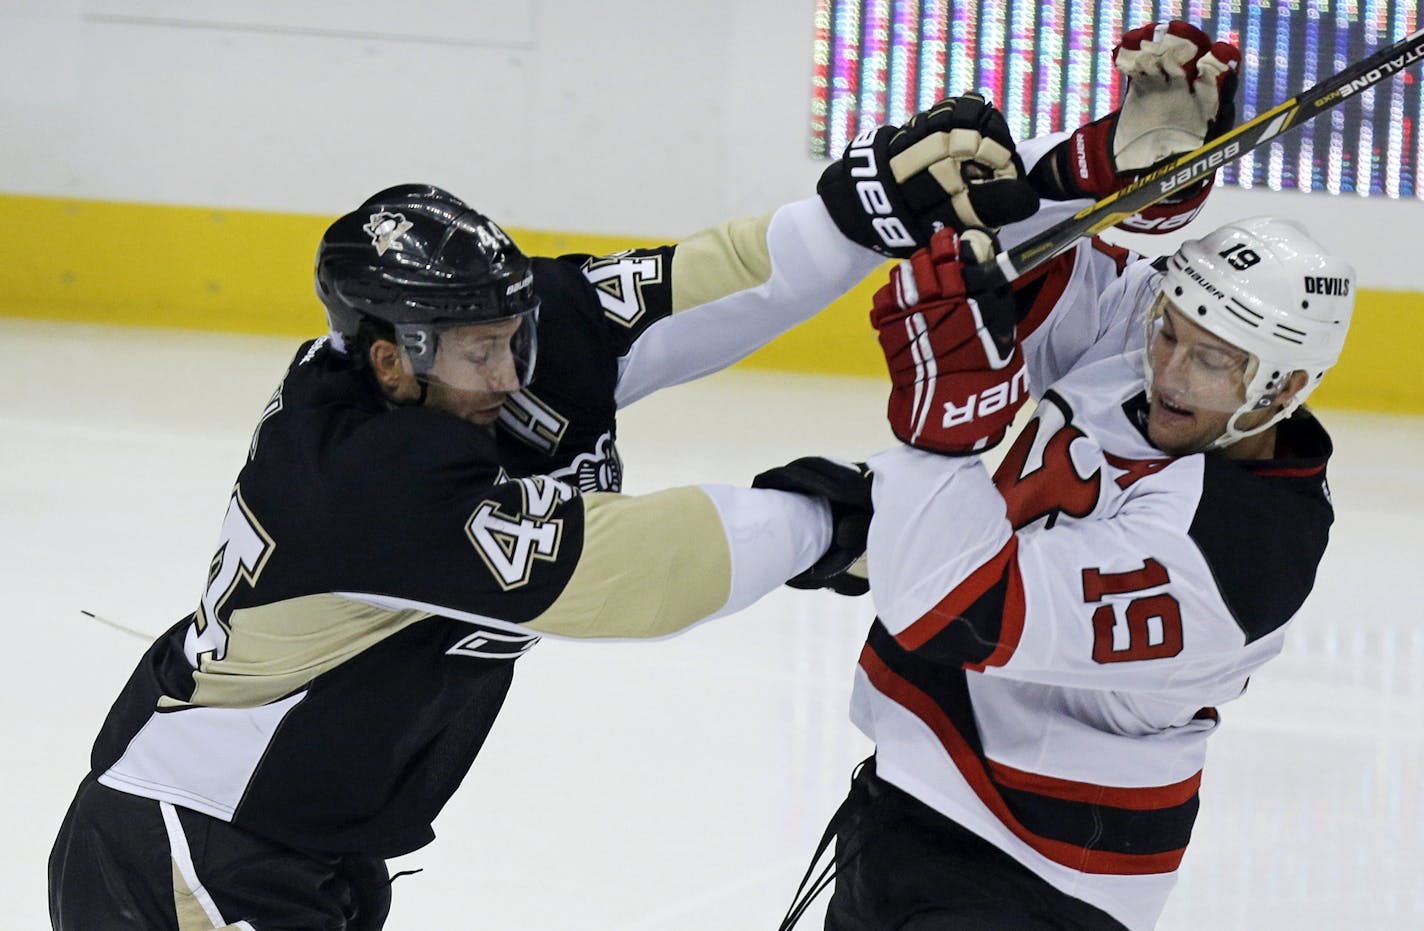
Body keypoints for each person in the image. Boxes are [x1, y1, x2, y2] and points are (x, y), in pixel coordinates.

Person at [47, 89, 1053, 929]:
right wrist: (839, 517)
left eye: (513, 331)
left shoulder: (489, 328)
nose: (510, 366)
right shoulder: (362, 479)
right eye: (479, 351)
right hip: (190, 848)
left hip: (308, 839)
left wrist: (854, 213)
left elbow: (689, 292)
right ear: (391, 361)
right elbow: (632, 571)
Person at [786, 53, 1356, 931]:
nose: (1166, 367)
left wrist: (943, 433)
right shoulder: (1145, 357)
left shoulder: (1244, 553)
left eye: (1210, 359)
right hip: (905, 797)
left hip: (1040, 877)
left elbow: (960, 608)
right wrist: (1111, 167)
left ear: (1282, 388)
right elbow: (1019, 273)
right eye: (1171, 329)